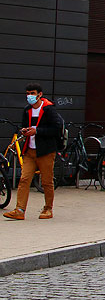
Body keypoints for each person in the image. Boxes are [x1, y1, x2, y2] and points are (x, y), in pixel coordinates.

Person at [4, 83, 64, 221]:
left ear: (40, 94)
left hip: (46, 151)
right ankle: (20, 210)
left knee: (47, 181)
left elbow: (55, 129)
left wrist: (37, 131)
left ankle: (48, 208)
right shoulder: (27, 110)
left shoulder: (49, 109)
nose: (29, 96)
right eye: (27, 93)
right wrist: (24, 131)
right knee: (24, 180)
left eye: (32, 93)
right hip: (30, 151)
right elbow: (24, 125)